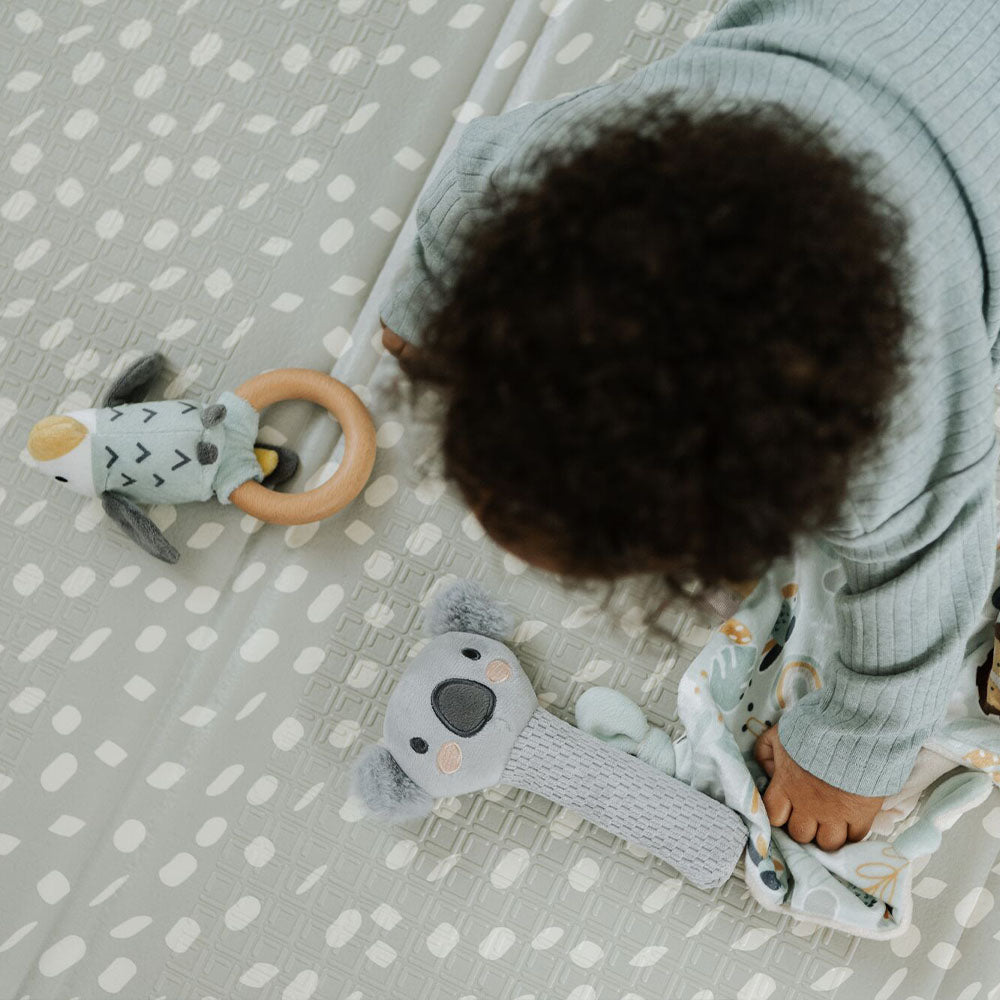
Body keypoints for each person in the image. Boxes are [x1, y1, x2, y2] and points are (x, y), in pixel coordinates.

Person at [378, 0, 1000, 851]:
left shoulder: (897, 425)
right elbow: (475, 180)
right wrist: (433, 295)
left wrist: (853, 749)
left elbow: (924, 586)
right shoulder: (585, 157)